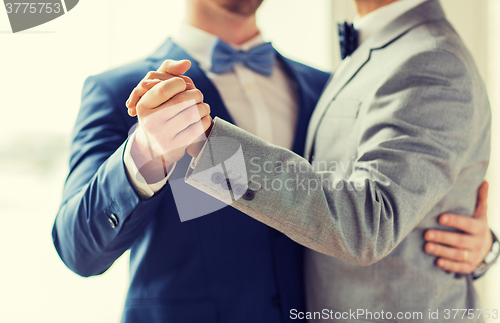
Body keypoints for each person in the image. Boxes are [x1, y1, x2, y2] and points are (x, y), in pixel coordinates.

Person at [53, 0, 496, 322]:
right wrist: (145, 153)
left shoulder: (325, 86)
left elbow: (363, 207)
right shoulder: (119, 91)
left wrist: (477, 245)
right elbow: (78, 250)